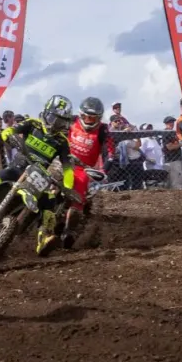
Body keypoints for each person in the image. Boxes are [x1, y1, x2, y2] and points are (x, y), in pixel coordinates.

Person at [0, 95, 76, 256]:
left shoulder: (62, 141)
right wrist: (10, 136)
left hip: (38, 176)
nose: (55, 124)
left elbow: (68, 168)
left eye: (61, 121)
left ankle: (44, 238)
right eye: (54, 119)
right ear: (47, 113)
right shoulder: (33, 124)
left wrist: (67, 187)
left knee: (50, 200)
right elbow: (8, 131)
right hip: (19, 168)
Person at [61, 97, 109, 249]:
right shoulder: (70, 121)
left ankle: (68, 231)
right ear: (80, 115)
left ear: (99, 118)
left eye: (93, 117)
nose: (89, 120)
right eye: (86, 116)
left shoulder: (102, 130)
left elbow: (110, 152)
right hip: (62, 160)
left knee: (79, 196)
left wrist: (105, 168)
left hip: (82, 168)